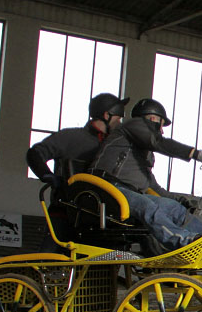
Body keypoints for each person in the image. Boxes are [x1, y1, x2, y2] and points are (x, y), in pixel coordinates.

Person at [88, 97, 202, 251]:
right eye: (161, 125)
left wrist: (181, 201)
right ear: (152, 119)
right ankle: (183, 241)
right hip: (106, 187)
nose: (162, 131)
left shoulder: (141, 154)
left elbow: (152, 186)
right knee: (147, 206)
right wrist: (196, 153)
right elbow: (158, 141)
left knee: (174, 208)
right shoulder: (133, 125)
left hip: (127, 193)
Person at [27, 93, 129, 249]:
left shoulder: (115, 146)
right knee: (48, 260)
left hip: (101, 220)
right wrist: (48, 176)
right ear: (106, 115)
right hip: (64, 214)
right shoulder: (71, 137)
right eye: (118, 117)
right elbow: (35, 154)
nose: (120, 121)